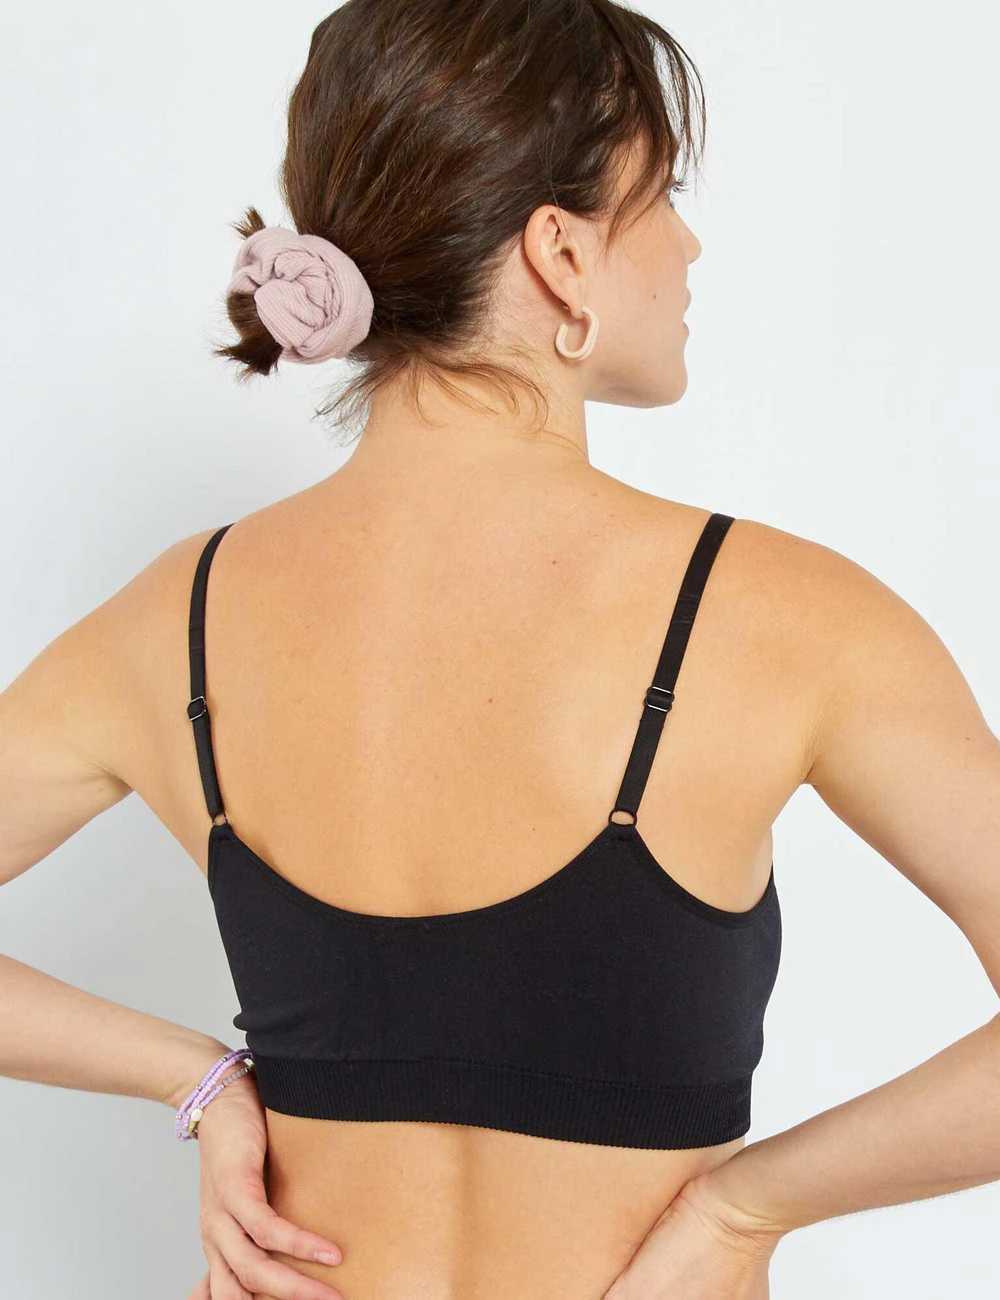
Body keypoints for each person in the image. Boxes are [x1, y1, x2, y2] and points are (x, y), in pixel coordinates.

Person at [3, 3, 1000, 1299]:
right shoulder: (790, 619)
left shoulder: (173, 618)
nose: (690, 247)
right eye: (665, 198)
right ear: (561, 254)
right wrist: (745, 1210)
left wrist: (196, 1078)